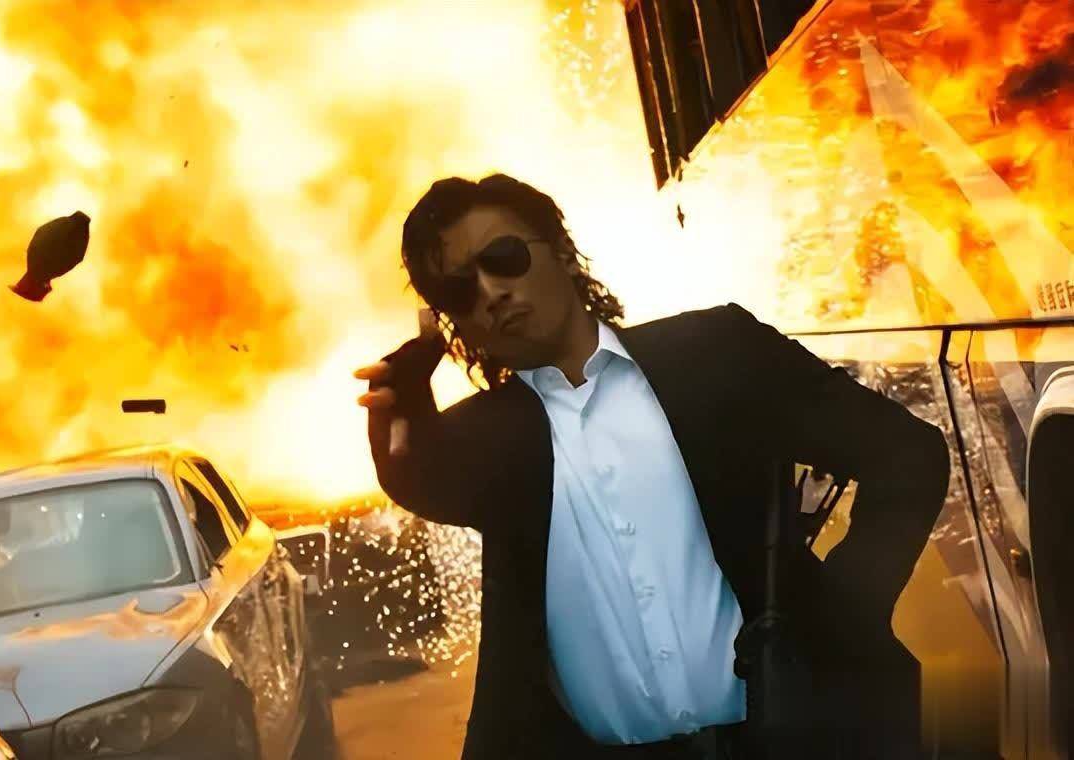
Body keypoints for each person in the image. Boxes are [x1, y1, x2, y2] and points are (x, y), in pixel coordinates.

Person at [354, 174, 950, 759]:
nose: (490, 291)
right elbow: (418, 472)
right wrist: (409, 390)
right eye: (460, 291)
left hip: (805, 738)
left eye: (503, 258)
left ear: (560, 251)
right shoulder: (486, 438)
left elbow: (905, 453)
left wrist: (845, 611)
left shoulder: (716, 350)